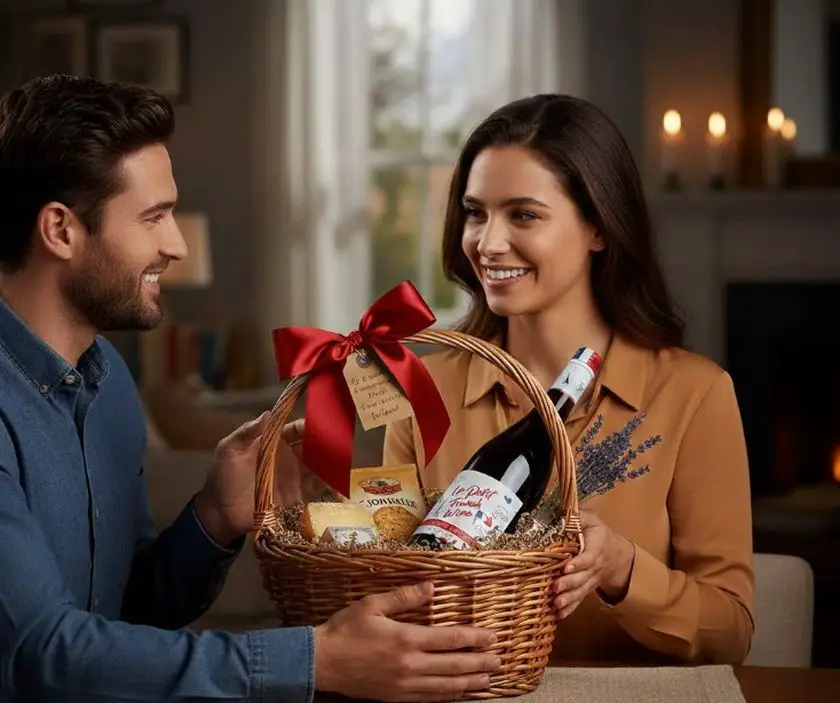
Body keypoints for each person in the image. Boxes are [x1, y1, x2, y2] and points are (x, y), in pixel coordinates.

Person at [0, 74, 500, 703]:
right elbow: (42, 655)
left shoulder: (111, 385)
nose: (176, 244)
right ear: (60, 230)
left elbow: (125, 621)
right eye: (154, 217)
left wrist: (216, 516)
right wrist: (316, 660)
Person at [384, 94, 755, 666]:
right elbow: (387, 593)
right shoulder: (420, 392)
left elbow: (731, 631)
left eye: (523, 214)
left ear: (599, 228)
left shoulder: (694, 394)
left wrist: (622, 568)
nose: (487, 242)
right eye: (476, 211)